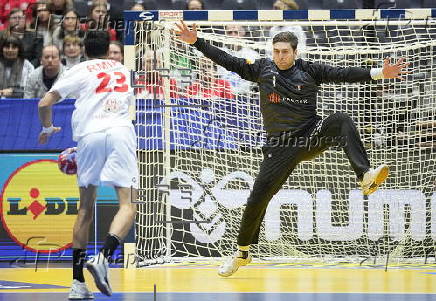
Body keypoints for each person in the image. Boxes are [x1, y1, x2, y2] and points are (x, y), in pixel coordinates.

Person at [175, 21, 409, 276]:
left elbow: (343, 73)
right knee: (257, 199)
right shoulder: (262, 69)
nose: (279, 56)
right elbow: (227, 60)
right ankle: (242, 253)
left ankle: (364, 176)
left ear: (295, 52)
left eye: (284, 52)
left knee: (341, 119)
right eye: (276, 51)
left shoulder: (310, 70)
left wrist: (379, 73)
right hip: (279, 147)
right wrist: (196, 42)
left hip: (310, 135)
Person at [37, 30, 138, 299]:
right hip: (119, 131)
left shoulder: (79, 69)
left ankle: (77, 283)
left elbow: (44, 102)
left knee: (84, 210)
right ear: (109, 50)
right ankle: (103, 257)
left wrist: (47, 129)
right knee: (127, 205)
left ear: (84, 50)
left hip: (89, 136)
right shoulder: (123, 69)